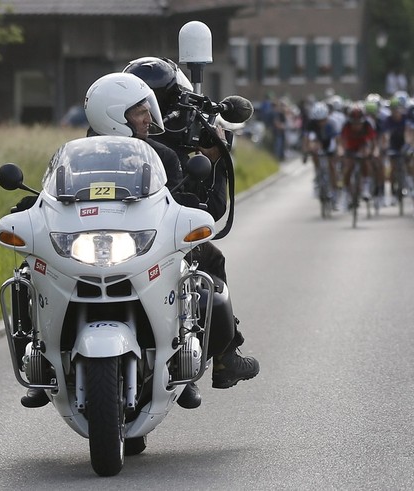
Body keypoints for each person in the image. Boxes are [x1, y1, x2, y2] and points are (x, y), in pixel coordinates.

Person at [120, 61, 261, 402]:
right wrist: (214, 159)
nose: (149, 119)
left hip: (119, 240)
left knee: (202, 262)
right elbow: (209, 211)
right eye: (140, 111)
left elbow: (198, 211)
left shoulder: (97, 140)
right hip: (134, 240)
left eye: (148, 109)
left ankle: (188, 355)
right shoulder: (164, 153)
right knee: (208, 258)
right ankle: (224, 357)